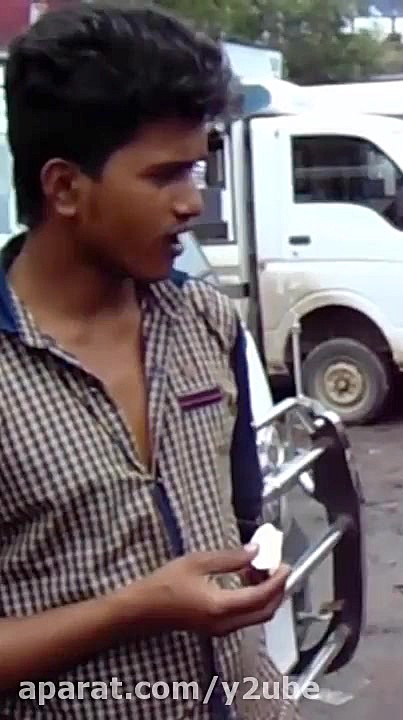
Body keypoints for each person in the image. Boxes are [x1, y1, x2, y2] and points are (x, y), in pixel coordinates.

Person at [0, 6, 295, 718]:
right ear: (64, 188)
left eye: (194, 170)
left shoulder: (206, 321)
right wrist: (134, 610)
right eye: (164, 176)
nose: (192, 203)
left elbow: (242, 520)